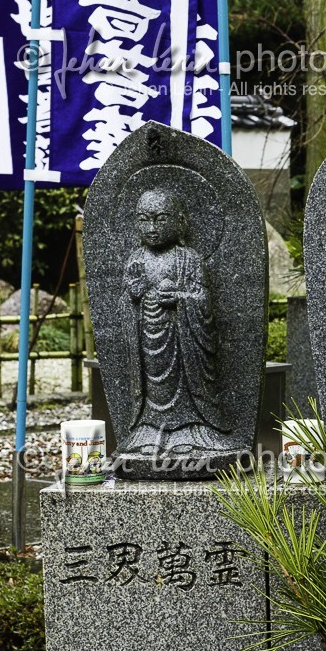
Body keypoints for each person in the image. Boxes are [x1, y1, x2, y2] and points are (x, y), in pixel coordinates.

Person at [121, 187, 238, 462]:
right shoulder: (136, 259)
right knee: (153, 387)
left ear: (180, 221)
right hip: (147, 341)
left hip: (182, 344)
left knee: (185, 383)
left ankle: (189, 432)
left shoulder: (189, 259)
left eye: (161, 219)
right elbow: (123, 306)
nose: (151, 228)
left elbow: (203, 301)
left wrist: (181, 299)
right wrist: (132, 297)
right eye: (144, 219)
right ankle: (150, 432)